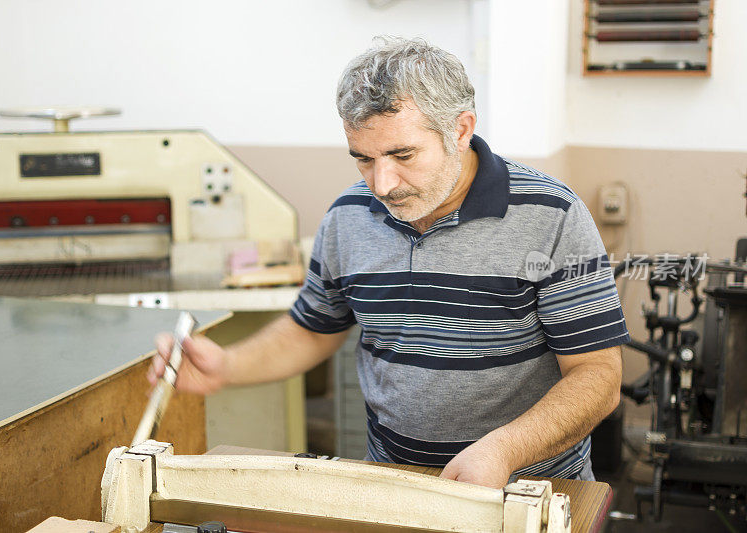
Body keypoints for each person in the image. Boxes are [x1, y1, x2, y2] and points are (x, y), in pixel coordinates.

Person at [149, 37, 629, 488]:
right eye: (363, 159)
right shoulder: (348, 216)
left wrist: (504, 450)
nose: (381, 183)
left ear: (460, 130)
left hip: (531, 488)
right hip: (394, 483)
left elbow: (597, 375)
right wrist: (227, 365)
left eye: (403, 155)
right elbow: (315, 326)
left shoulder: (552, 216)